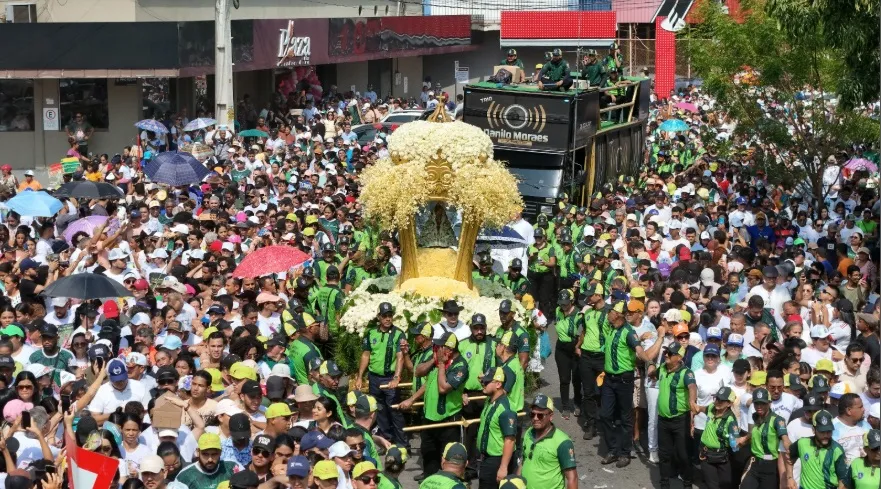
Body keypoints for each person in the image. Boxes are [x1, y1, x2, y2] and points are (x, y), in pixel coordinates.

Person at [600, 300, 666, 467]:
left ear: (619, 316)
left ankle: (624, 452)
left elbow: (639, 350)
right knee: (605, 414)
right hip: (609, 379)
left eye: (613, 312)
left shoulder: (629, 333)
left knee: (625, 417)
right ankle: (613, 449)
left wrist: (649, 363)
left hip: (624, 379)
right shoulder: (610, 328)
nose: (610, 315)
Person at [399, 332, 468, 476]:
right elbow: (418, 373)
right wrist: (412, 399)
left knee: (448, 463)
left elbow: (443, 388)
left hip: (448, 422)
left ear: (449, 349)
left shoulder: (460, 366)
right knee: (429, 458)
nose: (435, 348)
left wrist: (441, 364)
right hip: (429, 419)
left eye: (439, 346)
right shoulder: (437, 360)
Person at [355, 302, 406, 446]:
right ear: (379, 317)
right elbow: (366, 355)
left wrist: (396, 377)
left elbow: (400, 357)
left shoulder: (398, 333)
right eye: (384, 316)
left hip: (390, 378)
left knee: (394, 409)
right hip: (374, 378)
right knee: (380, 409)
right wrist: (360, 377)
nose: (388, 318)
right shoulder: (371, 333)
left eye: (390, 315)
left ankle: (402, 443)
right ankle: (386, 440)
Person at [647, 342, 697, 489]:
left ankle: (687, 484)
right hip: (663, 420)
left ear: (679, 357)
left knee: (683, 454)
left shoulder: (686, 373)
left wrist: (692, 401)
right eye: (666, 352)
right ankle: (664, 483)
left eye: (670, 353)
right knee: (664, 455)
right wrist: (650, 365)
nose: (666, 355)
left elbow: (692, 387)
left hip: (680, 420)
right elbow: (653, 374)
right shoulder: (662, 368)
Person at [519, 394, 578, 489]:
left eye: (540, 415)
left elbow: (572, 478)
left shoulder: (562, 442)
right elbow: (524, 462)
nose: (535, 418)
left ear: (550, 416)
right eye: (532, 414)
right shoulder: (528, 433)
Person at [740, 387, 791, 489]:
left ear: (769, 403)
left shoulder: (777, 420)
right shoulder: (755, 417)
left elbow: (785, 438)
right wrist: (744, 439)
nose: (759, 406)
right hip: (754, 462)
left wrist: (791, 453)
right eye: (756, 403)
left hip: (770, 465)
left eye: (763, 403)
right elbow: (754, 433)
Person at [475, 367, 517, 489]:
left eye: (486, 382)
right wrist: (483, 379)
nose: (483, 384)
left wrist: (503, 467)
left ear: (498, 384)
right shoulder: (490, 400)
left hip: (496, 461)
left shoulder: (505, 409)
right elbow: (485, 384)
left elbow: (510, 440)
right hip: (486, 458)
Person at [785, 410, 848, 489]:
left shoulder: (837, 450)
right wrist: (790, 478)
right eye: (822, 432)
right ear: (813, 430)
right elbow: (789, 457)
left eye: (829, 431)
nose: (826, 435)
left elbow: (843, 479)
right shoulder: (802, 443)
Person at [175, 433, 242, 489]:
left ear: (220, 452)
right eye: (205, 454)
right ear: (198, 452)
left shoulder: (232, 467)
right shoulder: (184, 477)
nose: (210, 459)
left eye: (214, 454)